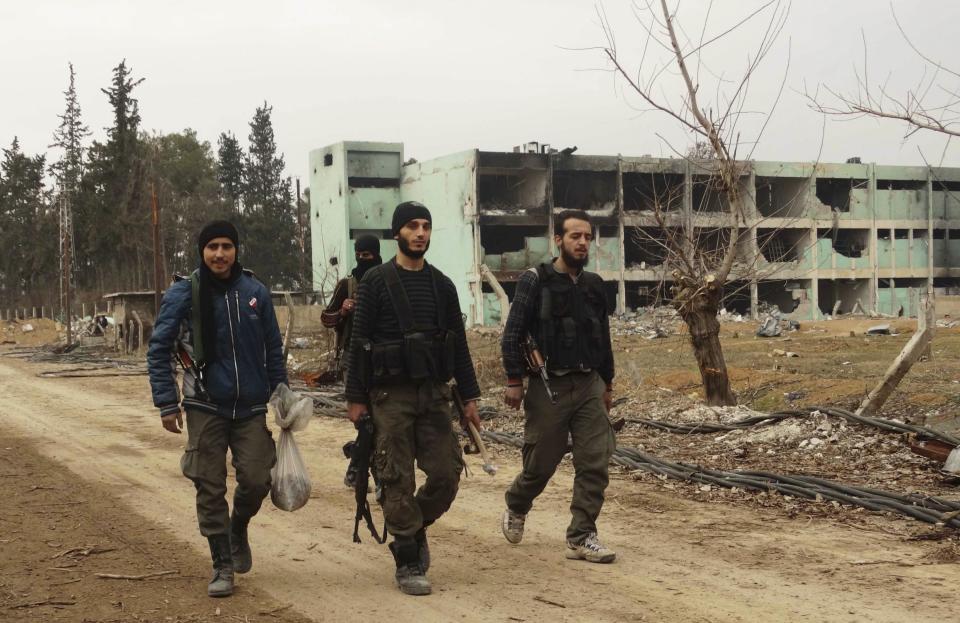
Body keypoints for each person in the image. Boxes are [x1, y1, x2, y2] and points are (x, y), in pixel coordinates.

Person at [345, 201, 482, 596]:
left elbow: (458, 347)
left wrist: (470, 397)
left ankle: (412, 525)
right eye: (412, 226)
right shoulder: (375, 282)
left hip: (435, 395)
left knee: (446, 474)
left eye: (426, 226)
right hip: (390, 396)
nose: (420, 233)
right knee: (395, 476)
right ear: (397, 234)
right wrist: (355, 397)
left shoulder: (442, 285)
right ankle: (407, 555)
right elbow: (359, 344)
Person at [147, 220, 287, 597]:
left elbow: (273, 348)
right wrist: (166, 403)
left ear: (236, 250)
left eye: (227, 246)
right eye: (212, 247)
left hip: (251, 406)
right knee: (209, 484)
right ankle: (222, 563)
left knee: (257, 479)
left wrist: (281, 392)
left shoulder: (255, 291)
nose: (220, 254)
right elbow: (159, 349)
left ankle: (237, 527)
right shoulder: (184, 293)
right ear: (202, 251)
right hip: (204, 403)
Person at [499, 209, 617, 564]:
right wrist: (513, 380)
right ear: (558, 240)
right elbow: (513, 333)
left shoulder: (595, 285)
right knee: (541, 464)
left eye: (587, 237)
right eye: (575, 236)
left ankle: (582, 535)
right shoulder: (534, 280)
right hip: (548, 386)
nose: (582, 243)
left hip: (588, 385)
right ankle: (517, 503)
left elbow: (603, 338)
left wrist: (608, 383)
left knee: (595, 461)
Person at [321, 235, 382, 378]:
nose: (361, 258)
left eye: (366, 255)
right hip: (353, 352)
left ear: (375, 255)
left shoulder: (387, 282)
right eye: (358, 255)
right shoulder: (346, 285)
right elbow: (325, 319)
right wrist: (342, 311)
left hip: (382, 353)